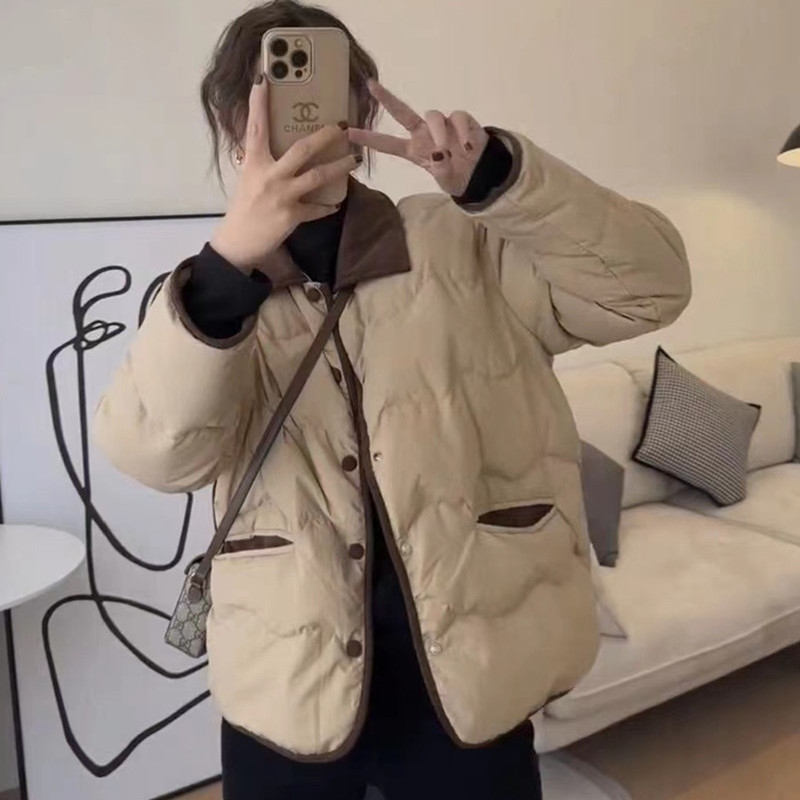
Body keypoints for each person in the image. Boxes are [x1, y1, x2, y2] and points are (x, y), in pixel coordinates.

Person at [93, 1, 692, 797]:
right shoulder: (204, 295)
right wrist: (231, 266)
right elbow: (156, 457)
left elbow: (652, 290)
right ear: (232, 123)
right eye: (267, 91)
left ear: (361, 106)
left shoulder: (468, 241)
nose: (299, 112)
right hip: (286, 683)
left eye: (324, 86)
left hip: (472, 673)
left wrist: (501, 182)